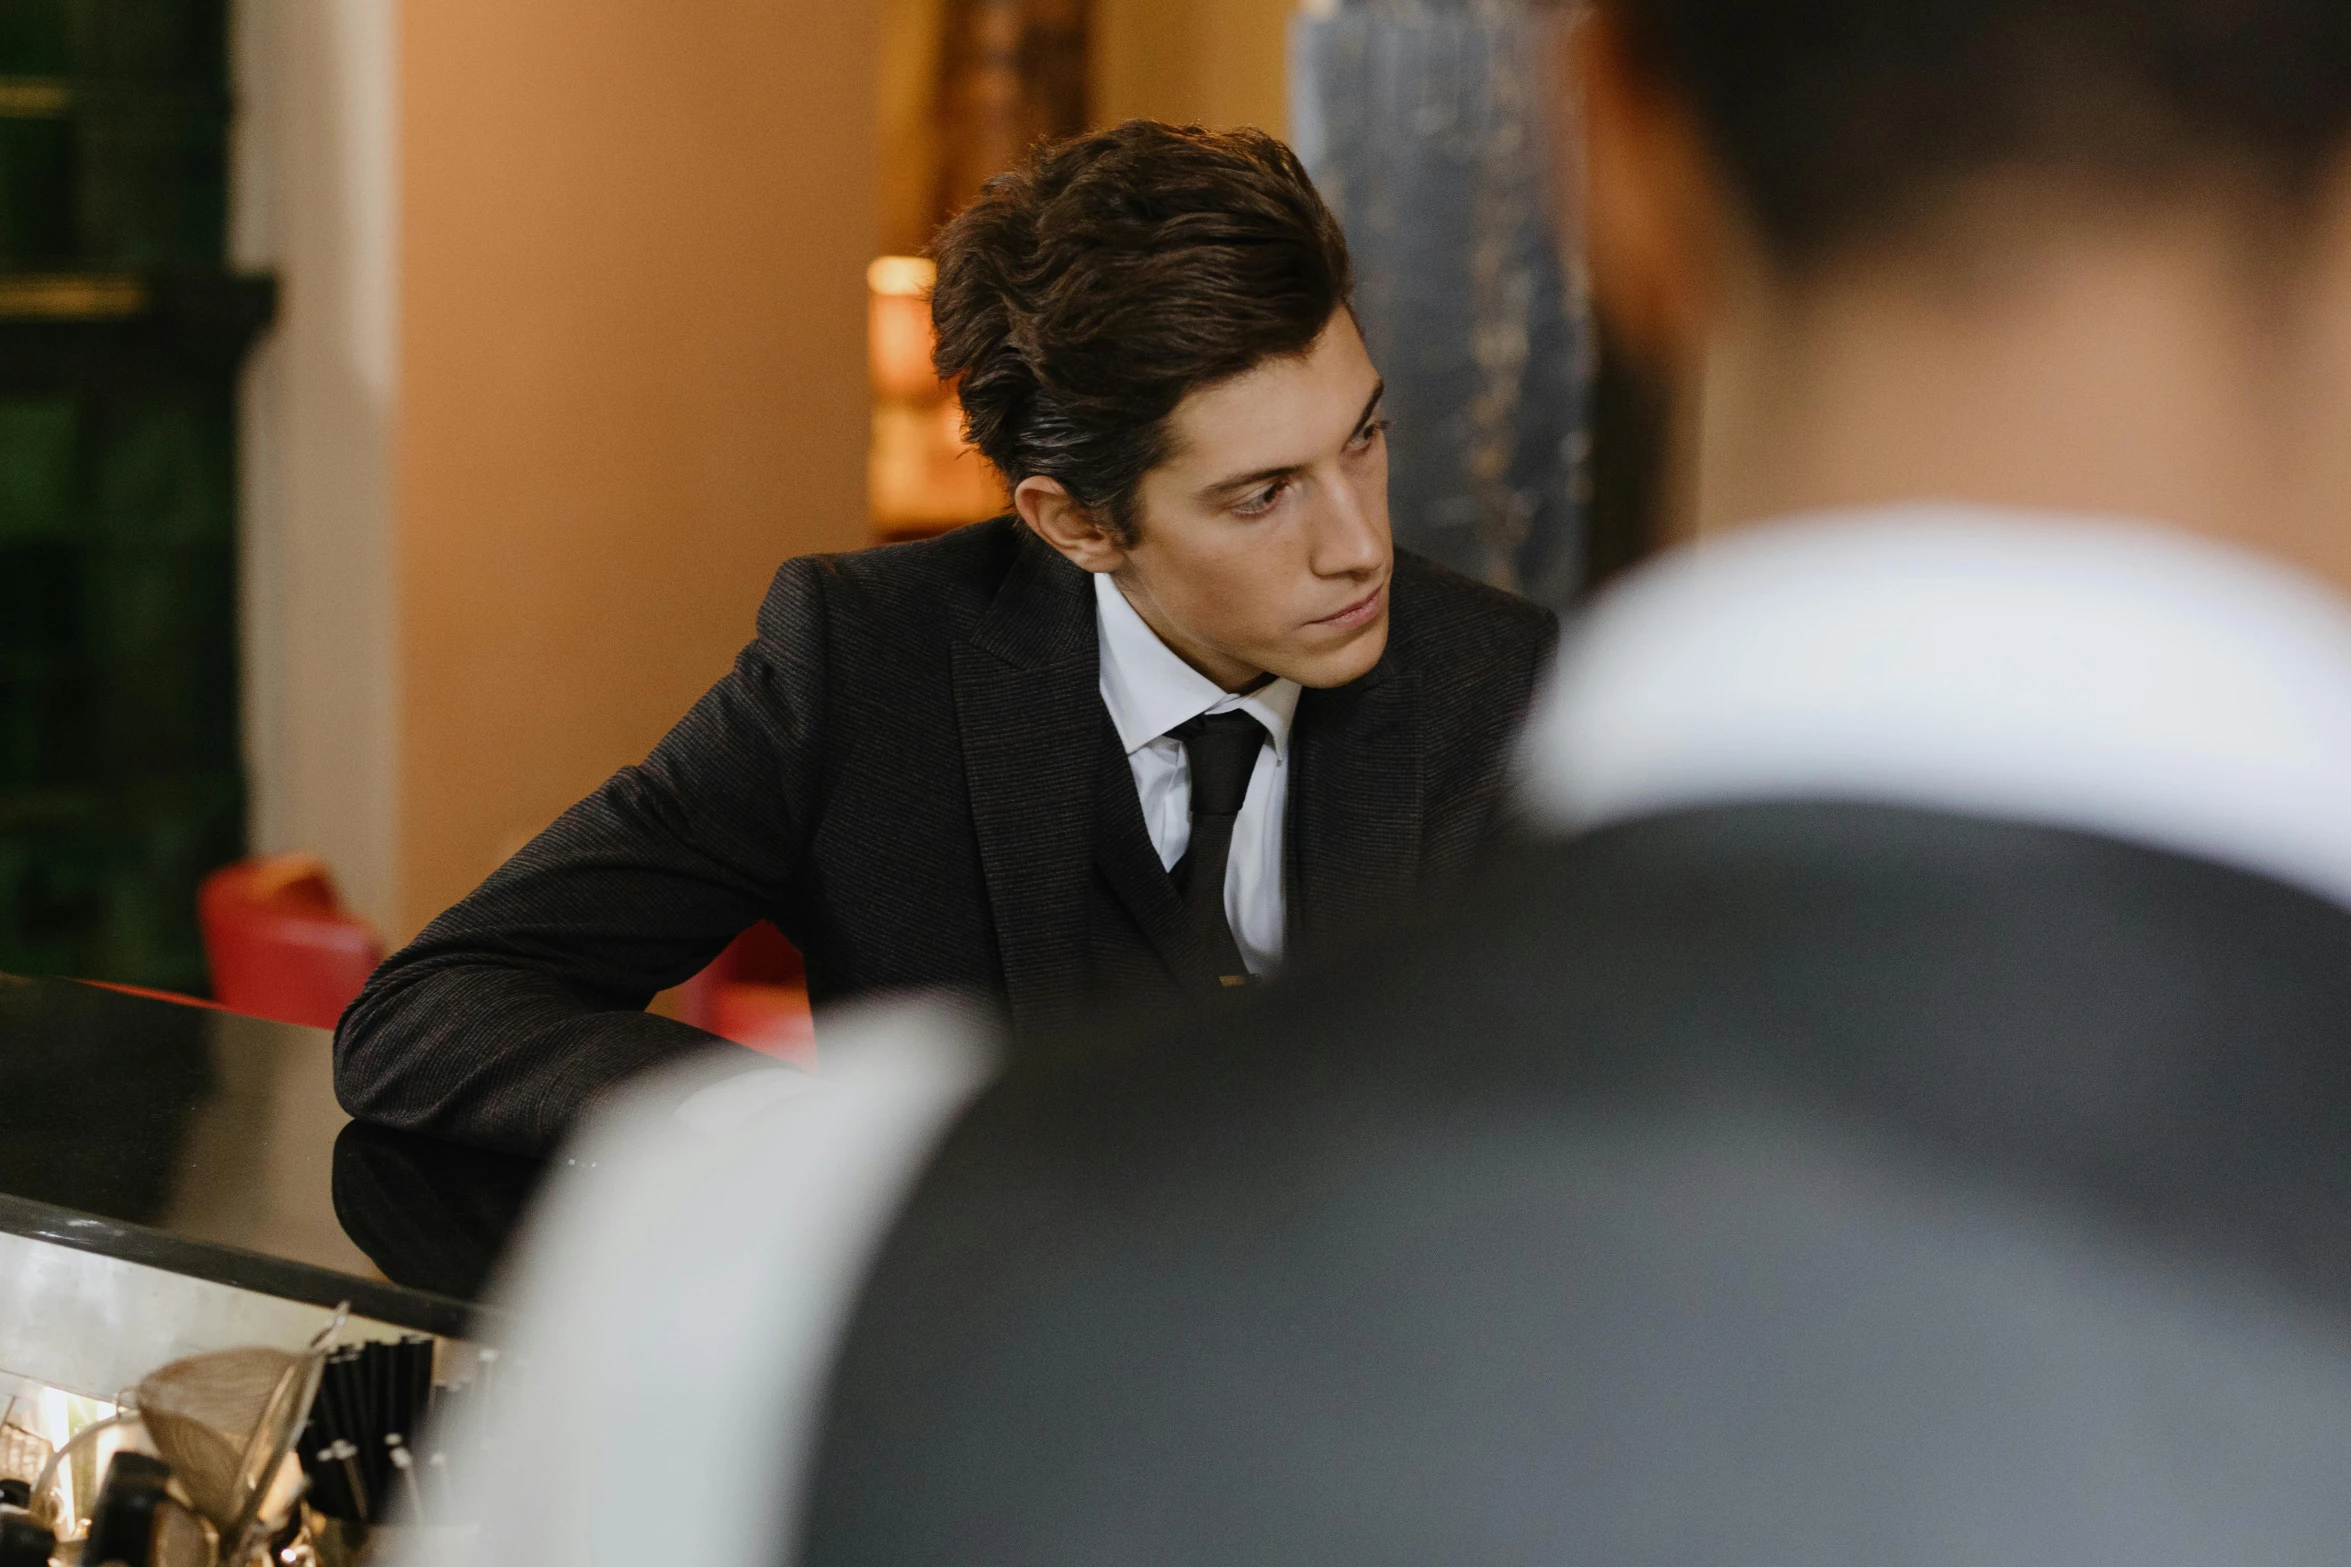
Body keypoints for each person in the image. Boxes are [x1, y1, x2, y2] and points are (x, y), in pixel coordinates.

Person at [333, 122, 1556, 1155]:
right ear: (1073, 521)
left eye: (1362, 439)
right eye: (1261, 494)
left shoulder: (1501, 690)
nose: (1357, 545)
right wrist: (834, 1148)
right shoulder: (864, 667)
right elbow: (431, 1007)